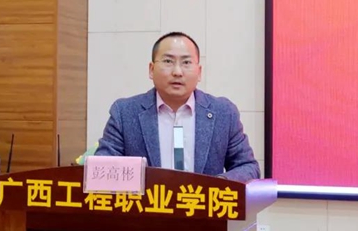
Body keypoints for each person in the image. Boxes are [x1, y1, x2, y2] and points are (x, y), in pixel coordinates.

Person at [95, 32, 260, 182]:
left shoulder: (224, 113)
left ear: (199, 72)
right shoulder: (125, 113)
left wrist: (216, 185)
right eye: (168, 61)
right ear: (151, 69)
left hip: (202, 204)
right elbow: (102, 167)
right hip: (148, 205)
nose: (177, 72)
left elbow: (247, 167)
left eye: (186, 62)